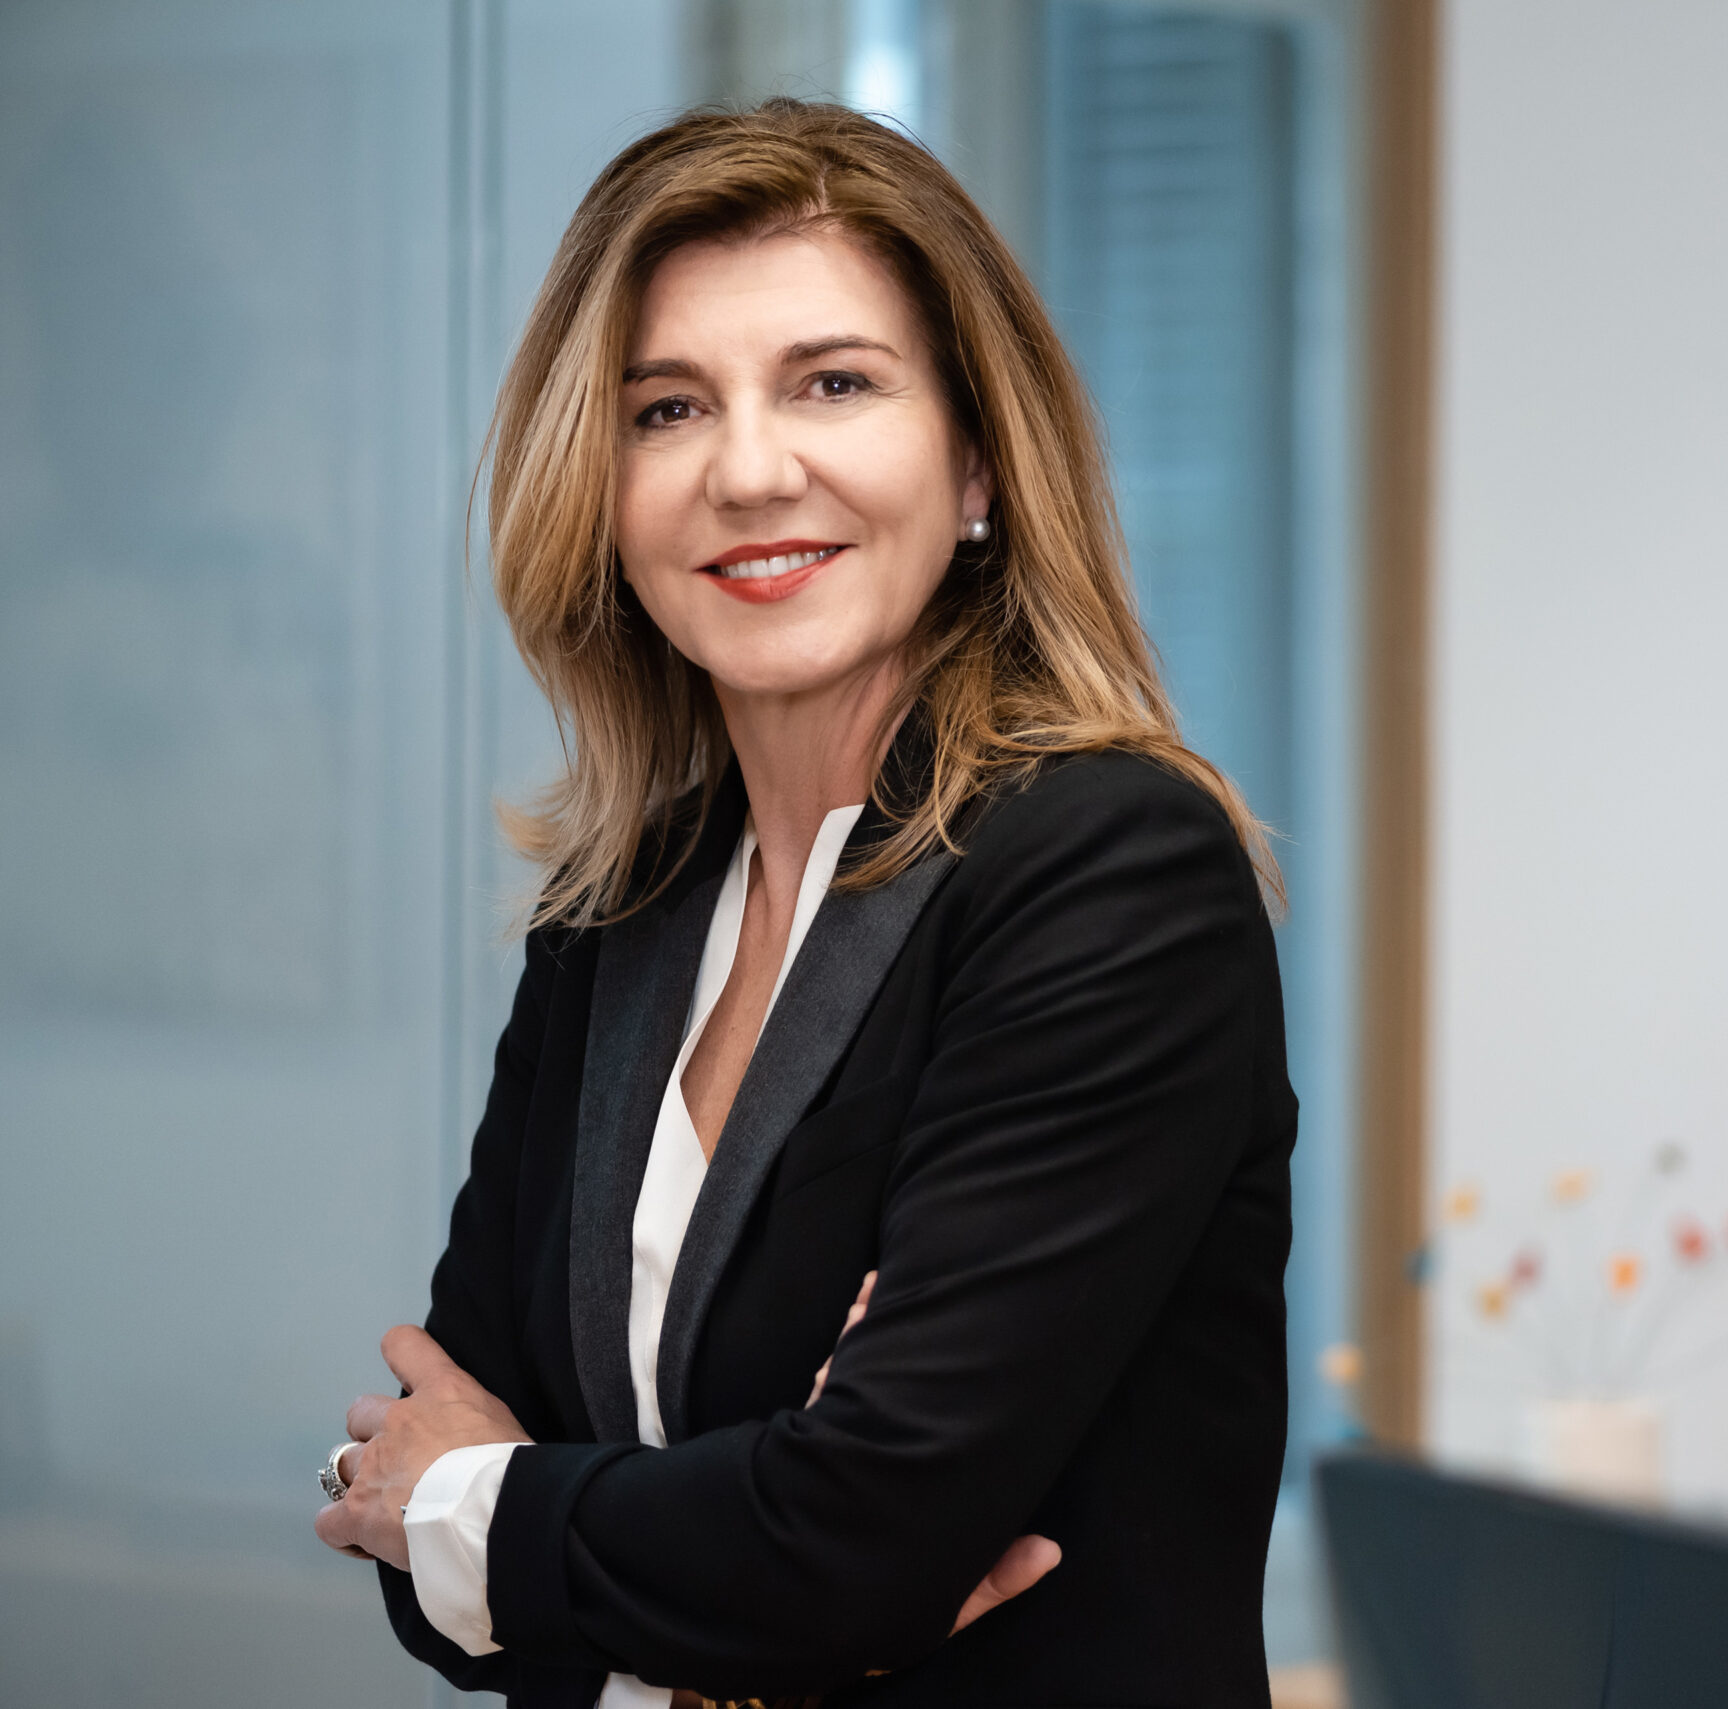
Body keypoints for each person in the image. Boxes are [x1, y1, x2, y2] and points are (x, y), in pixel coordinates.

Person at [310, 99, 1295, 1709]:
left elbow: (851, 1545)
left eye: (835, 383)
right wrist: (691, 1545)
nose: (751, 470)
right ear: (604, 491)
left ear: (976, 460)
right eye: (668, 407)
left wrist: (487, 1504)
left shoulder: (1108, 870)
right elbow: (417, 1563)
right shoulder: (620, 910)